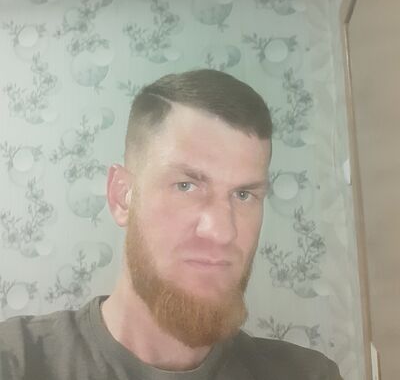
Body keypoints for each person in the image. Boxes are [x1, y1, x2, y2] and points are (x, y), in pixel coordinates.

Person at [0, 69, 342, 379]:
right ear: (122, 197)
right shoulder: (17, 361)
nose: (222, 231)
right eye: (186, 186)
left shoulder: (308, 375)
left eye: (243, 195)